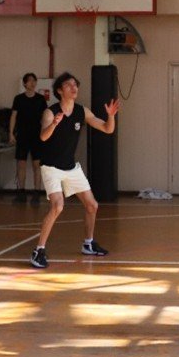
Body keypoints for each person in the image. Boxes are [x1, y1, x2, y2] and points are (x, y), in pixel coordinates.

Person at [29, 72, 120, 267]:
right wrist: (54, 124)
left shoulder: (82, 111)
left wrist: (111, 116)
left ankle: (88, 243)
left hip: (70, 167)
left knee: (92, 205)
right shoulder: (50, 112)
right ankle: (38, 251)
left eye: (75, 84)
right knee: (58, 206)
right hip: (51, 167)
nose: (74, 87)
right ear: (60, 90)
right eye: (69, 85)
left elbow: (107, 129)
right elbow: (43, 137)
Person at [9, 73, 48, 203]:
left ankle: (36, 193)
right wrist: (11, 133)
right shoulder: (18, 99)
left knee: (37, 165)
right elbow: (13, 116)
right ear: (24, 83)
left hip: (37, 136)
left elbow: (45, 117)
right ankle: (21, 193)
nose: (32, 83)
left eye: (34, 80)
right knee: (21, 165)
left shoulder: (40, 99)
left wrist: (46, 133)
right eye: (29, 81)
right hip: (22, 136)